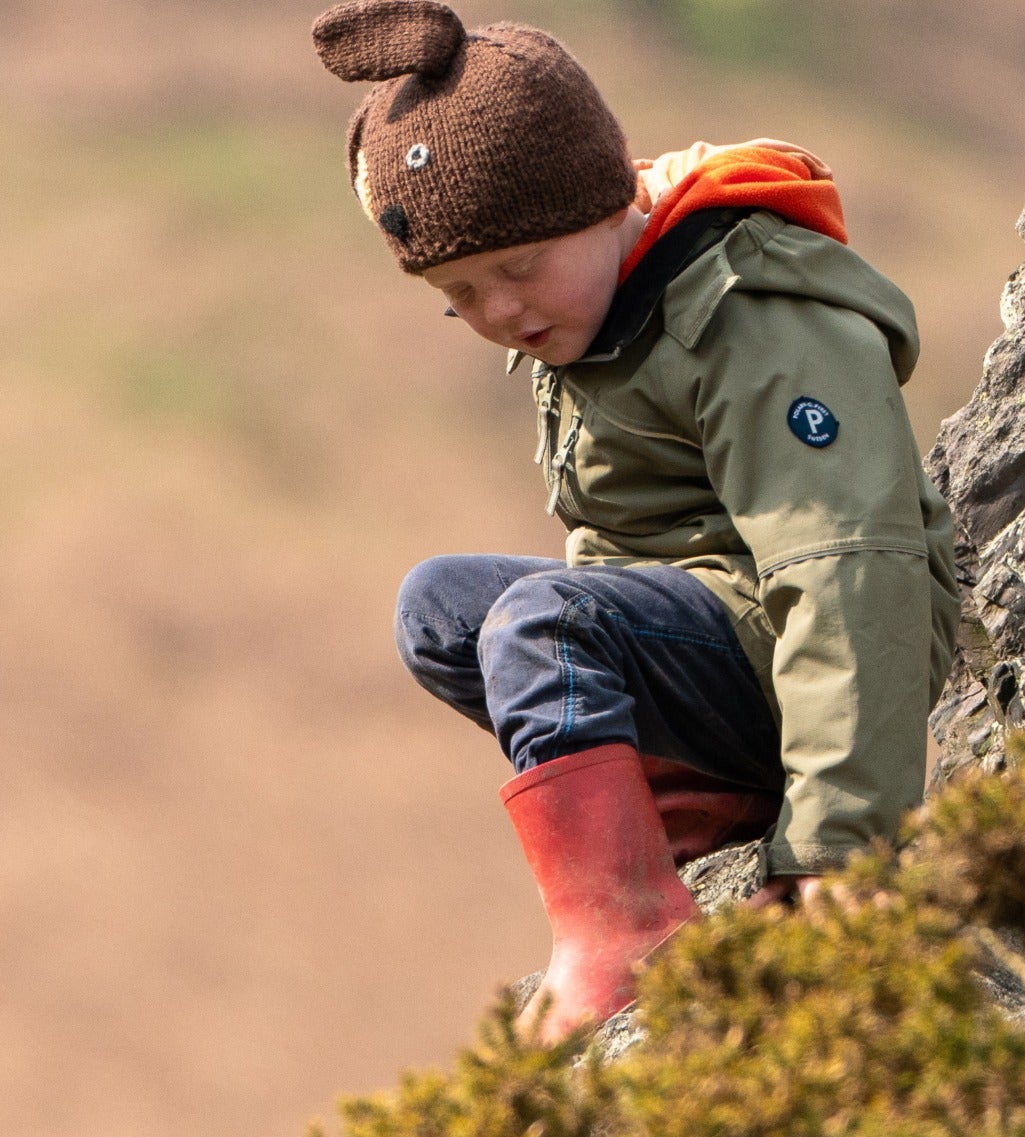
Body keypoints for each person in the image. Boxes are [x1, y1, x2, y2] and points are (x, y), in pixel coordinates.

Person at [310, 0, 960, 1039]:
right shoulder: (597, 314)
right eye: (459, 297)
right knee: (442, 610)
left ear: (604, 200)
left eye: (520, 268)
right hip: (726, 641)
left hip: (831, 645)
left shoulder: (749, 317)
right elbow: (619, 554)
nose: (501, 315)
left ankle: (625, 936)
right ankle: (694, 828)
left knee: (542, 623)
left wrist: (843, 844)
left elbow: (852, 568)